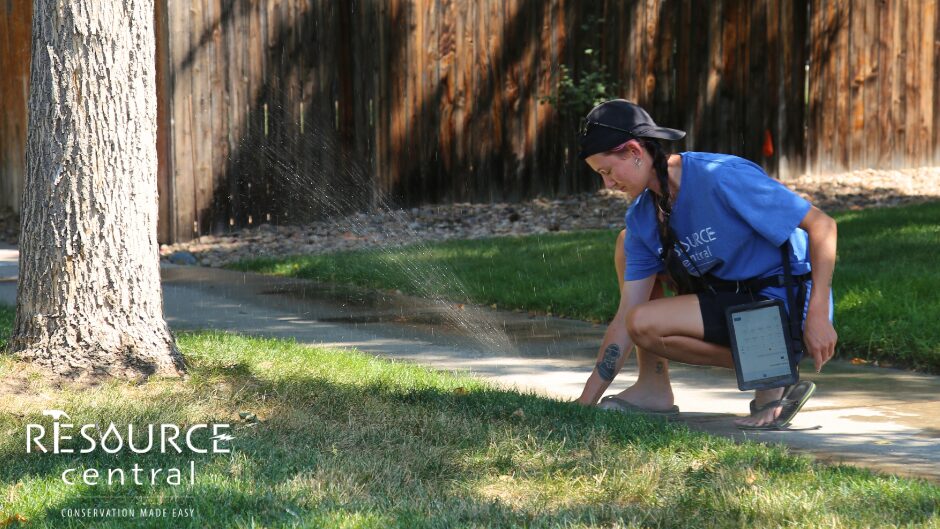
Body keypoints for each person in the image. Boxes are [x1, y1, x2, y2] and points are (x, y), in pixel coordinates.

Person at [574, 99, 838, 429]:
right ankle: (655, 389)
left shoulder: (720, 177)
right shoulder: (643, 216)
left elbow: (824, 226)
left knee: (640, 311)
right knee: (637, 305)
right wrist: (584, 404)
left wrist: (816, 315)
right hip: (733, 304)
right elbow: (624, 319)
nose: (608, 185)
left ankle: (775, 375)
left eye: (608, 172)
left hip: (783, 298)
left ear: (633, 151)